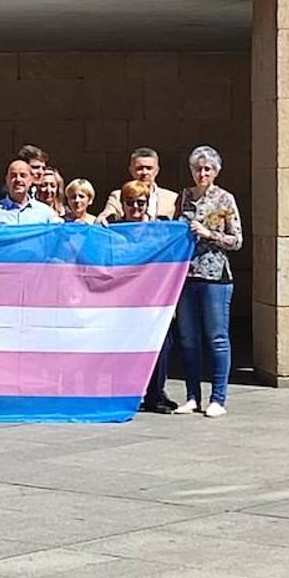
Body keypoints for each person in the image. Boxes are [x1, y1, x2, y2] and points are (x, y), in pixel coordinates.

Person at [175, 145, 242, 418]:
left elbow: (236, 240)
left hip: (215, 277)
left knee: (216, 337)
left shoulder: (224, 199)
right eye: (197, 168)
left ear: (215, 171)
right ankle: (192, 396)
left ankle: (218, 397)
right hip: (186, 276)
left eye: (207, 169)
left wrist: (209, 233)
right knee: (189, 339)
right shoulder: (185, 197)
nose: (202, 173)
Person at [109, 180, 173, 414]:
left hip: (154, 300)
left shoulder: (160, 230)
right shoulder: (114, 231)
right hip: (123, 301)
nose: (135, 207)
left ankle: (156, 395)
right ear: (122, 205)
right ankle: (123, 394)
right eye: (130, 203)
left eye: (140, 202)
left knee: (162, 345)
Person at [98, 147, 180, 223]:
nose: (144, 173)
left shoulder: (172, 198)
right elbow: (107, 214)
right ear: (131, 170)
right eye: (139, 168)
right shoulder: (117, 195)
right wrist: (104, 219)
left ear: (157, 170)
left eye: (149, 168)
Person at [0, 160, 62, 227]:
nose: (18, 179)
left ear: (31, 180)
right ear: (7, 180)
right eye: (13, 176)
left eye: (23, 175)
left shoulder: (45, 212)